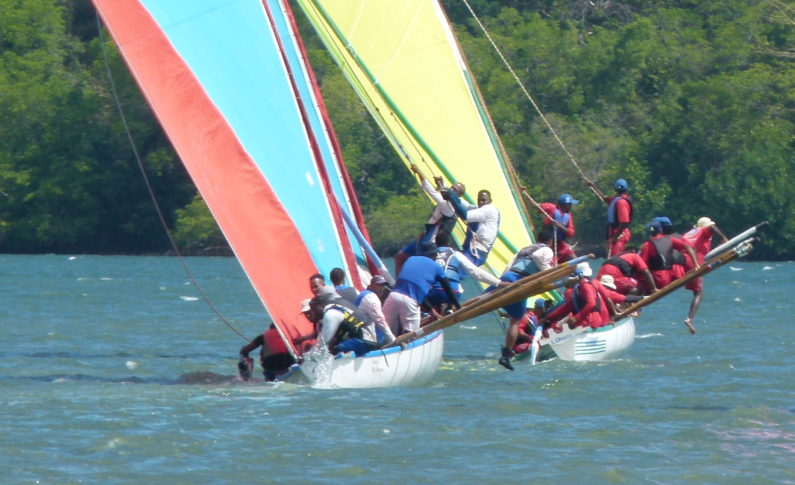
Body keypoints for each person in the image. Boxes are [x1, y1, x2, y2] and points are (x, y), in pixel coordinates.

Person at [382, 241, 461, 336]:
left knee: (384, 330)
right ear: (435, 255)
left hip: (393, 296)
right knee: (410, 336)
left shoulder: (411, 259)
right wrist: (458, 307)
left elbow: (414, 289)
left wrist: (431, 311)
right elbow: (448, 290)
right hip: (411, 302)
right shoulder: (437, 268)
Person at [680, 217, 729, 334]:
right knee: (699, 293)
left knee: (695, 290)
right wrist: (723, 238)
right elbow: (711, 227)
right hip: (693, 261)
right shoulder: (704, 231)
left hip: (681, 261)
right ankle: (689, 319)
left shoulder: (690, 233)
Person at [425, 245, 506, 313]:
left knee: (431, 292)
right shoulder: (455, 253)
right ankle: (449, 307)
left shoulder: (429, 256)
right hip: (454, 292)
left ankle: (434, 309)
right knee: (456, 289)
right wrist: (499, 283)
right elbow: (475, 271)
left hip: (433, 292)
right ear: (448, 244)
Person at [307, 287, 378, 356]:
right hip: (366, 339)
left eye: (314, 309)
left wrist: (312, 354)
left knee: (335, 351)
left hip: (364, 341)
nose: (313, 312)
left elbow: (324, 340)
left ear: (322, 305)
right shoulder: (337, 307)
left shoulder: (330, 314)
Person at [410, 163, 465, 248]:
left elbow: (430, 190)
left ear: (459, 195)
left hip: (433, 242)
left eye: (455, 190)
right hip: (428, 235)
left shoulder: (449, 206)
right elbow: (445, 190)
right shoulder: (448, 201)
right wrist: (440, 184)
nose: (451, 190)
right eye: (452, 187)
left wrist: (418, 172)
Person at [444, 188, 500, 266]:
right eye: (479, 200)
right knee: (448, 260)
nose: (481, 202)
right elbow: (465, 205)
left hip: (477, 253)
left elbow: (465, 215)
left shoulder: (489, 209)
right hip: (471, 250)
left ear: (490, 201)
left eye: (484, 200)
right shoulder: (480, 209)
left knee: (452, 266)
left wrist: (451, 197)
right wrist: (447, 190)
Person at [639, 219, 699, 291]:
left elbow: (642, 266)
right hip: (672, 276)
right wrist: (696, 265)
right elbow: (688, 246)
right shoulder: (670, 239)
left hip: (658, 279)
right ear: (661, 231)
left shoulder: (647, 245)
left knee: (641, 277)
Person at [540, 270, 608, 332]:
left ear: (575, 279)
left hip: (591, 323)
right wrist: (548, 318)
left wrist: (576, 318)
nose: (567, 283)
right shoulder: (576, 290)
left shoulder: (585, 286)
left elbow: (591, 303)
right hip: (586, 322)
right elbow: (565, 309)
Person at [586, 177, 633, 257]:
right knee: (613, 257)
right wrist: (593, 186)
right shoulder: (616, 200)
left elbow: (624, 221)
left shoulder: (621, 202)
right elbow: (605, 198)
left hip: (620, 236)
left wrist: (615, 237)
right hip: (616, 234)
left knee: (616, 259)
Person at [498, 298, 547, 371]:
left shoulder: (541, 317)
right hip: (521, 345)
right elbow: (519, 331)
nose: (544, 310)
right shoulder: (527, 317)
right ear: (538, 308)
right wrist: (529, 337)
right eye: (543, 308)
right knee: (532, 345)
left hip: (533, 342)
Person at [354, 275, 397, 346]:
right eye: (379, 285)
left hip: (360, 334)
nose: (382, 288)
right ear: (372, 285)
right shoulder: (370, 297)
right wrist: (394, 341)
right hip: (364, 339)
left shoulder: (364, 294)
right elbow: (380, 321)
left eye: (383, 285)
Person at [538, 193, 578, 262]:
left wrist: (560, 226)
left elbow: (571, 233)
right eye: (569, 205)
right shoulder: (551, 208)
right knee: (550, 262)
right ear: (564, 205)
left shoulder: (568, 215)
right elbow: (536, 205)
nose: (571, 207)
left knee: (575, 260)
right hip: (547, 244)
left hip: (559, 244)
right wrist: (524, 192)